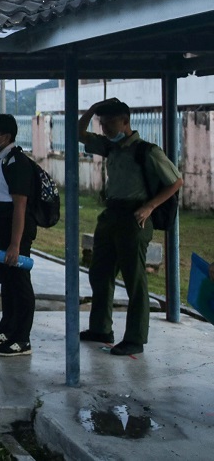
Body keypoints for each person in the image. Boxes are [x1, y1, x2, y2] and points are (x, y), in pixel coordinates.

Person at [78, 98, 183, 356]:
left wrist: (150, 206)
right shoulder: (111, 148)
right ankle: (101, 328)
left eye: (110, 123)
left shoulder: (146, 151)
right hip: (112, 214)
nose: (105, 129)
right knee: (99, 273)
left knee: (134, 279)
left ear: (125, 121)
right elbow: (78, 133)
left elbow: (176, 181)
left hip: (135, 217)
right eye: (102, 124)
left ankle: (135, 338)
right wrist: (93, 110)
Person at [0, 114, 37, 357]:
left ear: (6, 137)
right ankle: (7, 329)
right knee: (6, 281)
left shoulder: (17, 163)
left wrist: (15, 244)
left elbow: (20, 206)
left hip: (16, 229)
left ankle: (21, 338)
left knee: (19, 284)